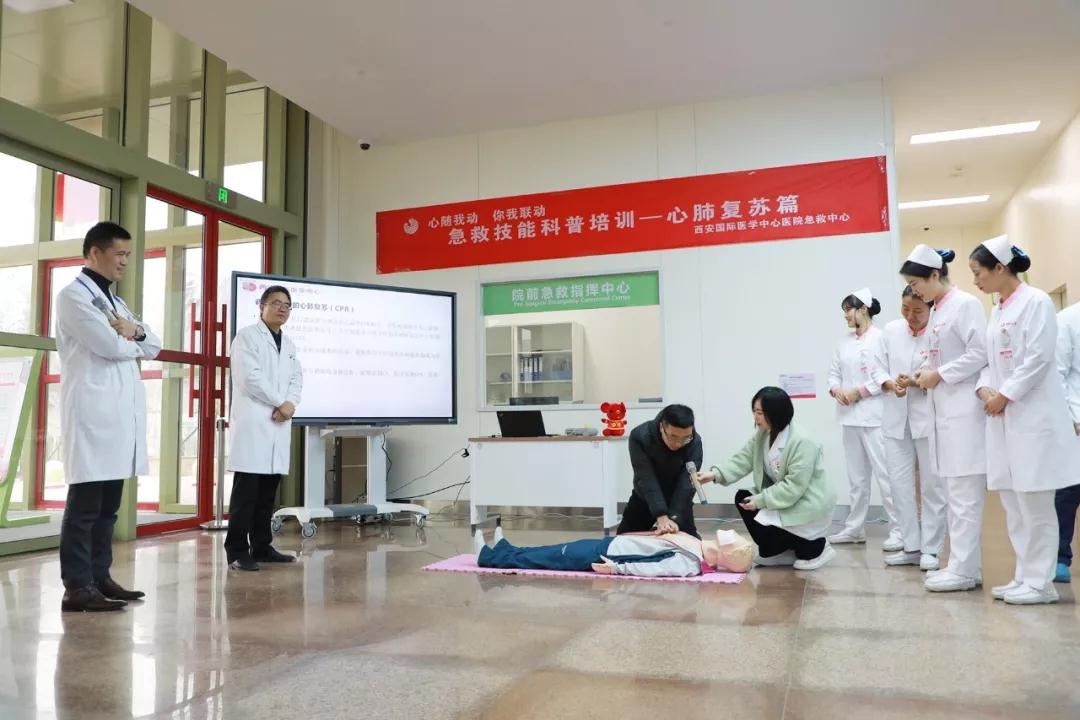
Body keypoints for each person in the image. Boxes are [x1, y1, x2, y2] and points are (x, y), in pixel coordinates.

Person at [56, 221, 162, 612]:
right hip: (92, 412)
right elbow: (108, 345)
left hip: (117, 417)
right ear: (94, 253)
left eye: (128, 255)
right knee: (85, 507)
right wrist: (132, 337)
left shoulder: (115, 302)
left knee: (107, 508)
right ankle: (77, 587)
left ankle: (100, 577)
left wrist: (133, 332)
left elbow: (154, 345)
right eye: (119, 254)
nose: (124, 262)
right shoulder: (73, 297)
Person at [970, 237, 1075, 605]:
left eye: (978, 273)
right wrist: (985, 389)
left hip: (1032, 419)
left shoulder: (1037, 302)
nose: (976, 280)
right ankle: (1023, 575)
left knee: (1036, 505)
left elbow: (1039, 358)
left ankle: (1041, 583)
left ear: (1000, 268)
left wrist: (1006, 394)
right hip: (1003, 419)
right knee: (1013, 505)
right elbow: (989, 362)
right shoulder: (998, 310)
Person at [901, 244, 988, 593]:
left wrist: (940, 374)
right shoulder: (938, 310)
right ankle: (964, 566)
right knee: (954, 496)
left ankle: (963, 570)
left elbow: (979, 353)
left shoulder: (965, 304)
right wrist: (923, 372)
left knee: (964, 498)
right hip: (943, 412)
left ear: (934, 275)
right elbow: (934, 355)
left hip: (964, 413)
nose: (914, 291)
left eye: (915, 284)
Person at [698, 387, 837, 570]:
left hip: (806, 502)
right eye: (754, 412)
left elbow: (793, 486)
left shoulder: (803, 441)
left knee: (805, 552)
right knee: (743, 498)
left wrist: (760, 500)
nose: (755, 417)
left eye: (760, 413)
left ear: (776, 413)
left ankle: (819, 547)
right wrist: (716, 474)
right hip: (784, 498)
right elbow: (743, 459)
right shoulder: (763, 434)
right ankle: (778, 550)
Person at [225, 285, 303, 571]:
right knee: (246, 495)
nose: (282, 309)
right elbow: (250, 378)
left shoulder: (289, 345)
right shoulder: (247, 337)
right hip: (255, 422)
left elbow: (296, 378)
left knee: (267, 494)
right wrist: (281, 402)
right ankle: (236, 551)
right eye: (276, 303)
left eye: (287, 305)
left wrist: (290, 403)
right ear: (261, 306)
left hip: (278, 424)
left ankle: (261, 546)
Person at [879, 287, 946, 570]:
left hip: (927, 418)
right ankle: (911, 545)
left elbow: (942, 371)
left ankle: (931, 549)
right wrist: (888, 383)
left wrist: (916, 381)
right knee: (899, 486)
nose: (910, 316)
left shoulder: (939, 331)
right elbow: (877, 366)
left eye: (917, 311)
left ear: (931, 308)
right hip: (896, 420)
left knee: (932, 486)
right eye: (905, 309)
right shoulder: (891, 331)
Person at [825, 288, 897, 547]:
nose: (845, 316)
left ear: (863, 309)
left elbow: (885, 375)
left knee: (885, 475)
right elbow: (833, 373)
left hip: (875, 418)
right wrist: (837, 390)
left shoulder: (882, 338)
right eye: (844, 311)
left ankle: (899, 529)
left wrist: (860, 392)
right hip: (849, 418)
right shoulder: (843, 342)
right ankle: (854, 528)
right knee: (857, 479)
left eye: (848, 310)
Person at [474, 527, 754, 577]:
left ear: (727, 554)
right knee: (554, 551)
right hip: (610, 544)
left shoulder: (689, 563)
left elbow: (652, 568)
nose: (731, 535)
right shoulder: (695, 544)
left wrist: (616, 568)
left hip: (606, 555)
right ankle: (506, 549)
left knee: (552, 557)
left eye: (734, 542)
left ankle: (489, 558)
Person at [616, 404, 703, 538]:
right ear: (662, 427)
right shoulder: (640, 436)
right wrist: (661, 514)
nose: (678, 443)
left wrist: (674, 518)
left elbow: (686, 483)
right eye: (673, 437)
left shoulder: (694, 441)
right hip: (645, 497)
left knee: (690, 543)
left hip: (678, 499)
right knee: (622, 540)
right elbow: (646, 477)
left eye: (685, 438)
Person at [1054, 299, 1080, 583]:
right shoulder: (1068, 318)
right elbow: (1058, 372)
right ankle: (1060, 558)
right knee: (1068, 493)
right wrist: (1069, 417)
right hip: (1076, 419)